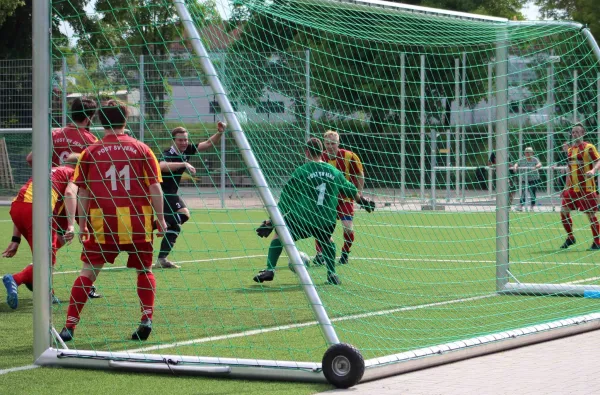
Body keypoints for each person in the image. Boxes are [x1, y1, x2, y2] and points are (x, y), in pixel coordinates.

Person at [58, 100, 167, 342]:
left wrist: (83, 223)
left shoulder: (90, 152)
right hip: (138, 220)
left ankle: (69, 326)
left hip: (102, 222)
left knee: (88, 272)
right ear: (125, 120)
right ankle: (146, 318)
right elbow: (155, 188)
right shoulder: (142, 149)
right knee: (144, 269)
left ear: (99, 121)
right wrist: (161, 219)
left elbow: (83, 192)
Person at [253, 138, 375, 285]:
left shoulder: (302, 171)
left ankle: (270, 269)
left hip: (302, 218)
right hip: (325, 220)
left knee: (279, 234)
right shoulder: (334, 172)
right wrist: (364, 203)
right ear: (321, 151)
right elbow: (351, 190)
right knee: (327, 240)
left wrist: (272, 222)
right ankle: (332, 274)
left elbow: (285, 201)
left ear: (307, 152)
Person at [1, 153, 87, 309]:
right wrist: (71, 226)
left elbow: (25, 202)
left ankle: (46, 291)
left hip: (17, 209)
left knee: (48, 253)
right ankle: (16, 279)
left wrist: (16, 239)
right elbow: (69, 193)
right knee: (46, 258)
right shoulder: (73, 173)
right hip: (37, 211)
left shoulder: (51, 171)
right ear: (79, 166)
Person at [155, 122, 226, 269]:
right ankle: (160, 242)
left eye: (185, 139)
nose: (184, 142)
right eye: (180, 140)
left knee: (181, 219)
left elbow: (207, 144)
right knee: (180, 220)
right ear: (174, 140)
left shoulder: (186, 150)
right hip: (162, 194)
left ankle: (161, 246)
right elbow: (160, 165)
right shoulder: (169, 153)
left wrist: (219, 132)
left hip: (171, 194)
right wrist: (183, 164)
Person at [313, 130, 364, 266]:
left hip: (345, 199)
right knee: (321, 227)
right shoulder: (320, 157)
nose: (330, 146)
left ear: (338, 143)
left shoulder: (350, 156)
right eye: (328, 143)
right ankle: (320, 253)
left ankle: (345, 252)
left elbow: (360, 174)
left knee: (348, 228)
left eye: (333, 143)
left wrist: (358, 194)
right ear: (324, 143)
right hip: (327, 200)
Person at [560, 123, 600, 250]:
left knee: (591, 215)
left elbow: (599, 160)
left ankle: (597, 242)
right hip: (572, 189)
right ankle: (570, 237)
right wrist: (565, 188)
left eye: (577, 132)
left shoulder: (589, 147)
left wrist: (593, 171)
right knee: (563, 212)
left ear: (583, 133)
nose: (575, 134)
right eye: (573, 132)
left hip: (587, 189)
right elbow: (569, 169)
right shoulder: (570, 150)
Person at [26, 97, 99, 167]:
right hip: (75, 179)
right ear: (87, 119)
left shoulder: (53, 134)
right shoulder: (91, 140)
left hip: (53, 178)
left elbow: (30, 159)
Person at [513, 147, 542, 212]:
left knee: (532, 192)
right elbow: (517, 163)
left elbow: (540, 164)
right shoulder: (522, 159)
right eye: (526, 152)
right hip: (525, 179)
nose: (528, 154)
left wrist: (536, 166)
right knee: (523, 192)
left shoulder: (535, 159)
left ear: (532, 153)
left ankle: (532, 207)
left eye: (529, 152)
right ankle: (520, 206)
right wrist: (515, 167)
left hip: (533, 178)